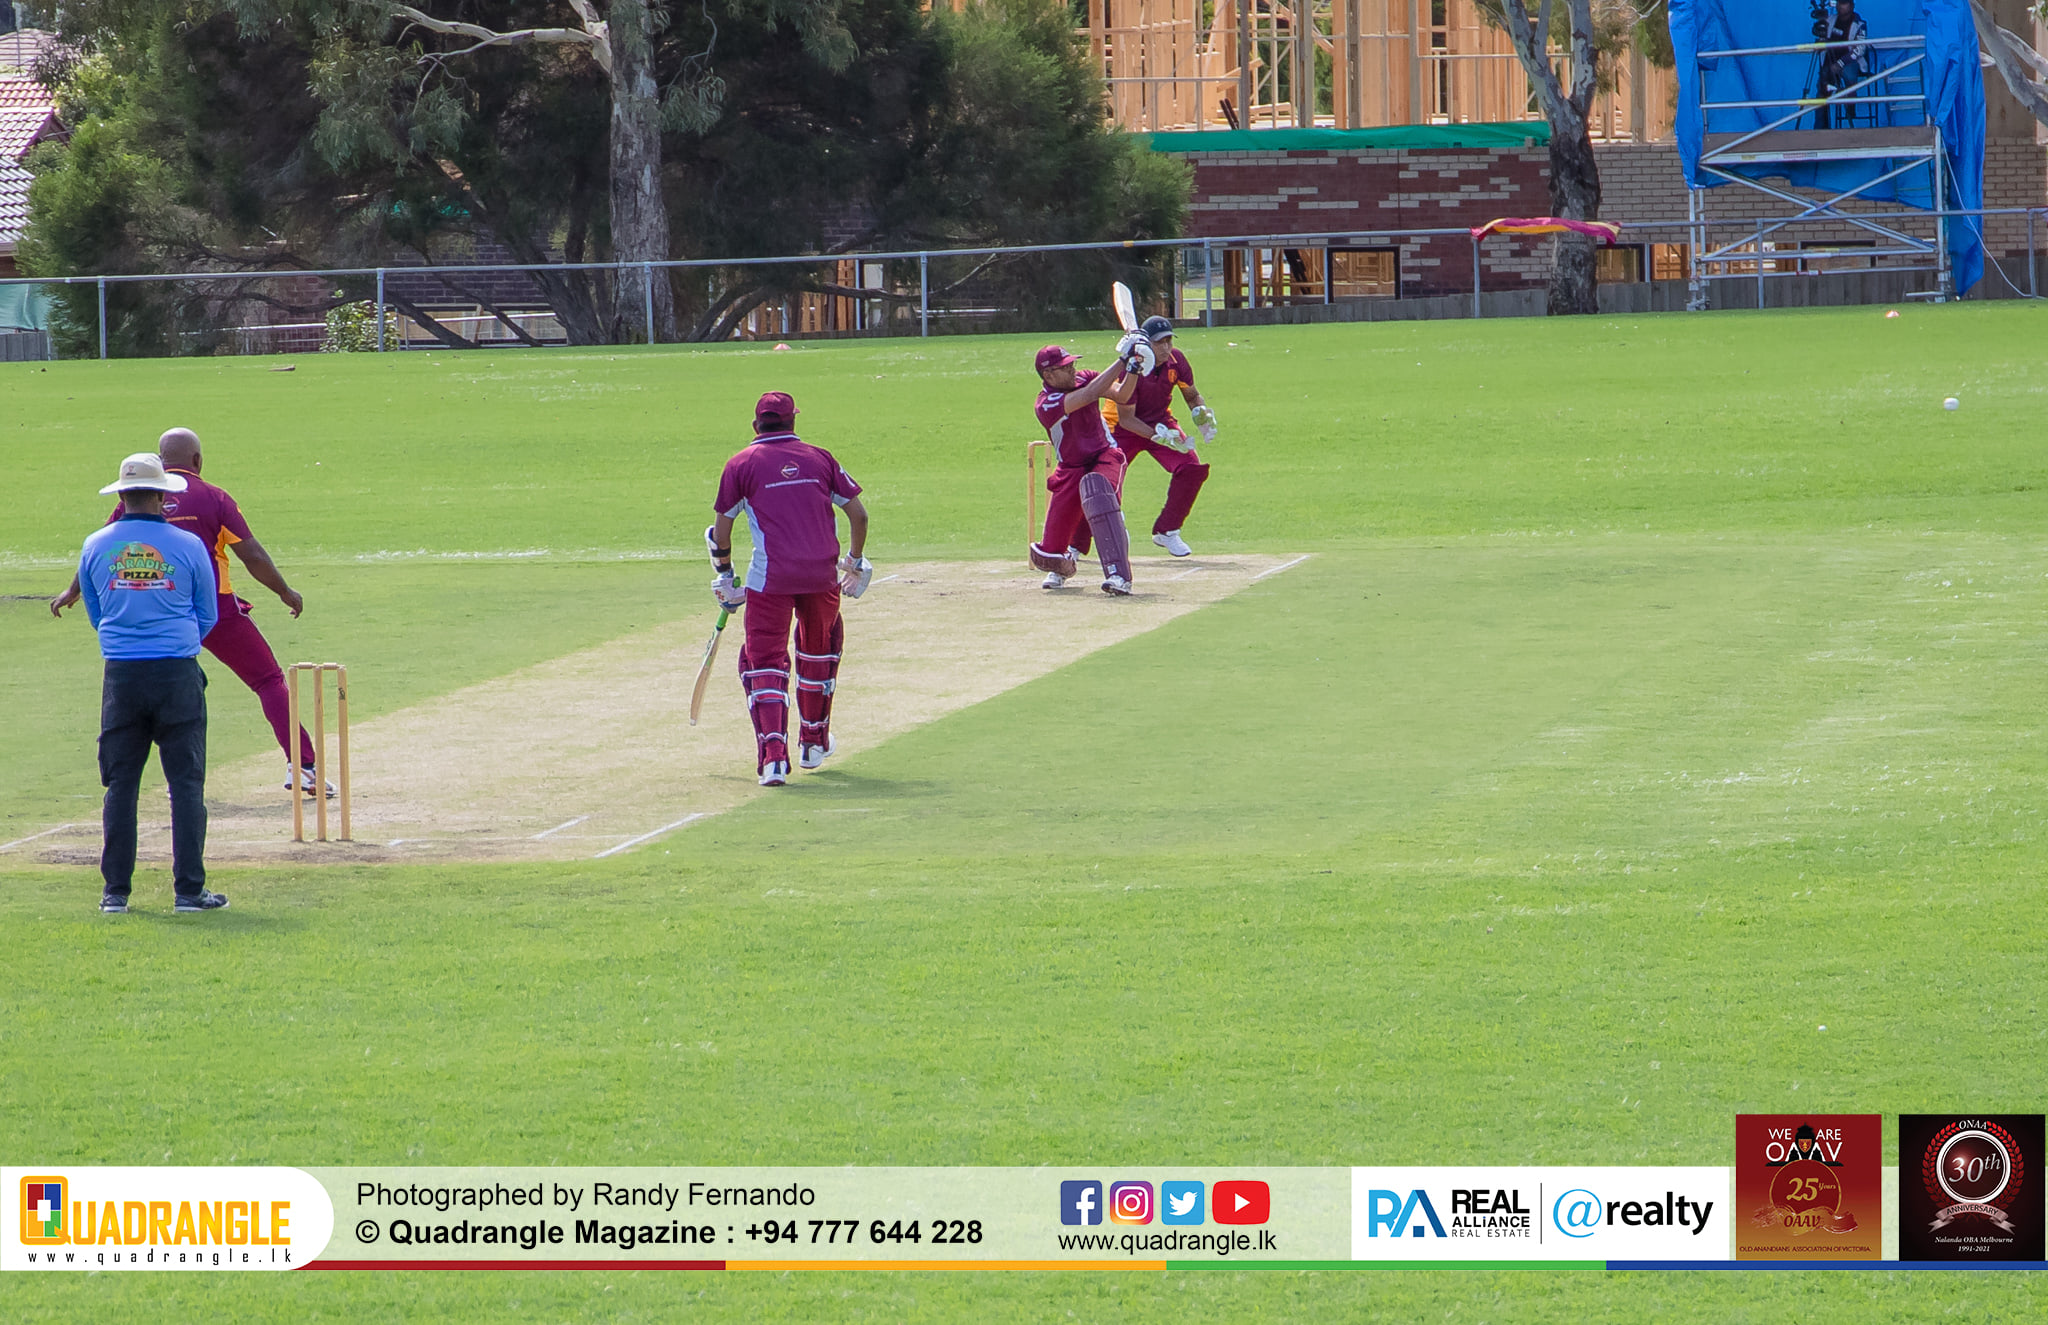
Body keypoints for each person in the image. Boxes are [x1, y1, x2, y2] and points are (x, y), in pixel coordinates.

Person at [52, 428, 326, 797]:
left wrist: (73, 590)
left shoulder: (134, 498)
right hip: (218, 611)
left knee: (169, 683)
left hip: (164, 611)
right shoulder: (215, 497)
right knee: (267, 681)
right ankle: (304, 767)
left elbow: (104, 547)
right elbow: (252, 555)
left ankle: (175, 777)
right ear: (197, 460)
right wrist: (284, 591)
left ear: (161, 464)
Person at [77, 452, 228, 914]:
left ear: (121, 497)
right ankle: (188, 891)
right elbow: (208, 612)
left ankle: (115, 894)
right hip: (176, 671)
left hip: (122, 674)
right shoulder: (186, 545)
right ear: (162, 496)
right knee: (186, 783)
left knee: (120, 785)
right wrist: (175, 640)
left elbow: (96, 614)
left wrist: (127, 638)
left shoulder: (96, 544)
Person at [708, 391, 872, 787]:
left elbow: (721, 532)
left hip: (770, 580)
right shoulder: (820, 458)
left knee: (763, 662)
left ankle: (773, 760)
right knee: (820, 652)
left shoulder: (740, 464)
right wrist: (854, 561)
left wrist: (726, 578)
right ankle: (813, 744)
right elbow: (859, 514)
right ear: (793, 422)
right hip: (821, 577)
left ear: (755, 425)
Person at [1103, 315, 1217, 558]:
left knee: (1191, 467)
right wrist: (1160, 436)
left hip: (1160, 420)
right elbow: (1127, 418)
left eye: (1169, 341)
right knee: (1104, 483)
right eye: (1159, 343)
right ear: (1146, 344)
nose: (1166, 348)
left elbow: (1191, 393)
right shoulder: (1133, 367)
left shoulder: (1177, 360)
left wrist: (1201, 413)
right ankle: (1075, 545)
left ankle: (1167, 531)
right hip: (1120, 428)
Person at [1029, 341, 1139, 594]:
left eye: (1072, 365)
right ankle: (1062, 567)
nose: (1072, 370)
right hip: (1070, 468)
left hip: (1104, 455)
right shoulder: (1046, 404)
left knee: (1098, 495)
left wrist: (1132, 368)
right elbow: (1089, 395)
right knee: (1050, 549)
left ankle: (1119, 576)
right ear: (1049, 375)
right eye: (1065, 368)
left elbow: (1121, 394)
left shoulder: (1085, 378)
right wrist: (1123, 360)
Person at [1814, 0, 1869, 131]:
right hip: (1830, 61)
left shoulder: (1860, 24)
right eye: (1839, 3)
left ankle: (1850, 108)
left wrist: (1840, 63)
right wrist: (1820, 42)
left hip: (1850, 61)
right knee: (1822, 85)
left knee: (1849, 75)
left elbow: (1859, 50)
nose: (1841, 7)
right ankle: (1821, 127)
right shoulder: (1830, 19)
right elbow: (1819, 33)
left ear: (1852, 6)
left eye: (1844, 3)